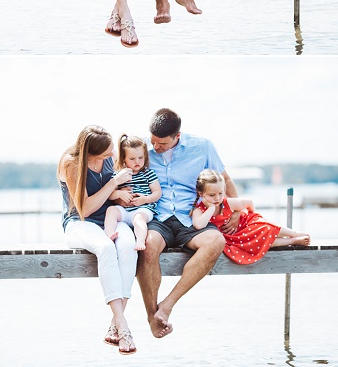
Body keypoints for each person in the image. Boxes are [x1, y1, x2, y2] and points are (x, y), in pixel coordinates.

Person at [136, 108, 240, 339]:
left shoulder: (202, 146)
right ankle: (152, 316)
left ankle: (168, 305)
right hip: (157, 217)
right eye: (152, 141)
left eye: (161, 143)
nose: (155, 147)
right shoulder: (141, 147)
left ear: (177, 136)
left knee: (215, 240)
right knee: (148, 244)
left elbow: (227, 179)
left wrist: (236, 211)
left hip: (192, 217)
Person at [58, 125, 139, 355]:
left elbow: (109, 196)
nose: (112, 156)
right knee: (105, 248)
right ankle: (122, 326)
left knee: (127, 246)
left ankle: (116, 321)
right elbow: (84, 209)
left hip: (110, 219)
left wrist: (123, 196)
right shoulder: (71, 164)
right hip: (79, 223)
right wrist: (113, 184)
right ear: (91, 153)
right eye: (106, 154)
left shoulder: (108, 158)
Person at [192, 169, 311, 264]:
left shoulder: (227, 202)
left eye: (220, 193)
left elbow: (248, 202)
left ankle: (294, 233)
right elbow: (199, 225)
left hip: (245, 225)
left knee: (264, 228)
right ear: (201, 193)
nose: (217, 198)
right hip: (233, 237)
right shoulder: (200, 210)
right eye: (212, 195)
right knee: (255, 242)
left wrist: (251, 216)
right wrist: (211, 208)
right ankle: (292, 241)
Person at [104, 134, 160, 251]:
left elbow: (157, 193)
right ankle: (109, 233)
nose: (137, 162)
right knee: (111, 210)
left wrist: (145, 199)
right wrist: (119, 194)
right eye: (132, 159)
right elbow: (110, 195)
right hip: (124, 211)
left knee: (139, 219)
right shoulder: (119, 175)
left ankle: (140, 240)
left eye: (140, 157)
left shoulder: (148, 173)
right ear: (123, 158)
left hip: (142, 209)